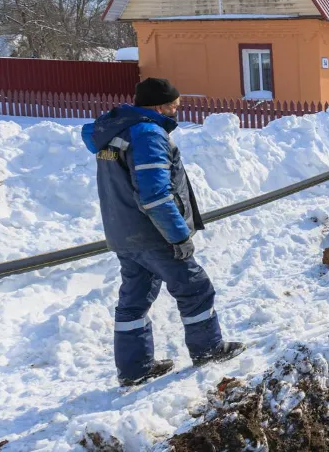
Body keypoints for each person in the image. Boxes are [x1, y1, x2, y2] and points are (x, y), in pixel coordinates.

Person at [82, 77, 244, 387]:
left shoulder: (116, 134)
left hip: (122, 233)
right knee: (195, 287)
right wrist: (178, 235)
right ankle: (208, 349)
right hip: (153, 234)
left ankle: (135, 368)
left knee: (134, 300)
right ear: (159, 106)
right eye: (174, 106)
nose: (176, 111)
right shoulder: (147, 134)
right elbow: (155, 195)